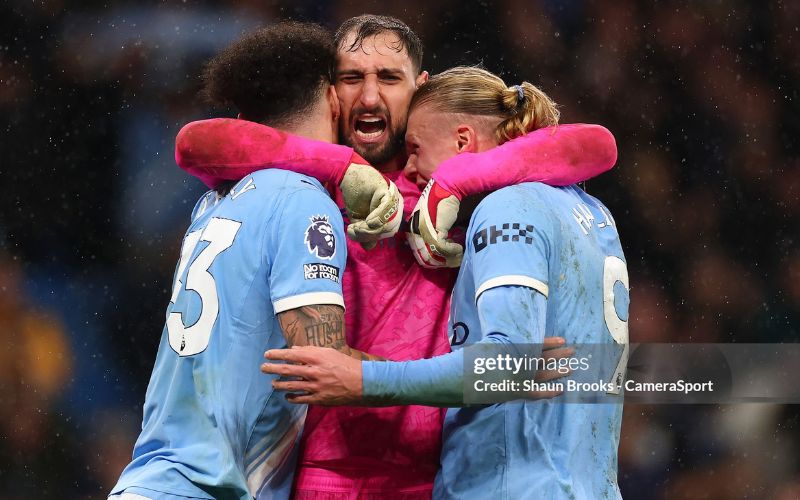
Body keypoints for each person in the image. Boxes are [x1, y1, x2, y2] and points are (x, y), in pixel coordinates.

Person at [173, 15, 619, 499]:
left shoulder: (451, 174)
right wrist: (342, 166)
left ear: (419, 87)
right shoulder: (307, 177)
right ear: (331, 94)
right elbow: (195, 143)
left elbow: (597, 145)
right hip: (322, 473)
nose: (369, 97)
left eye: (388, 78)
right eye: (351, 78)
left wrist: (458, 182)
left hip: (432, 475)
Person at [109, 22, 386, 500]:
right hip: (203, 490)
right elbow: (321, 363)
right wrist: (456, 382)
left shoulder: (214, 201)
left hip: (154, 481)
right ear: (331, 98)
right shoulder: (303, 201)